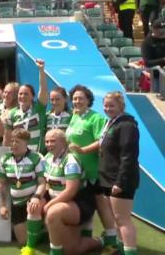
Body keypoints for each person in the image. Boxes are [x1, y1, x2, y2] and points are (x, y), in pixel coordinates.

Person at [65, 85, 117, 247]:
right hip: (77, 171)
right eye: (74, 98)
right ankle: (87, 234)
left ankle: (111, 238)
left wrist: (83, 150)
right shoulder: (75, 117)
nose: (77, 101)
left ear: (89, 100)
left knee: (100, 202)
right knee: (84, 201)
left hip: (92, 170)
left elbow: (101, 141)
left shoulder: (96, 118)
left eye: (81, 98)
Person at [43, 129, 102, 255]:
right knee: (71, 250)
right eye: (46, 141)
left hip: (79, 202)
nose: (48, 144)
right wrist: (37, 197)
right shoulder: (47, 158)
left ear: (63, 142)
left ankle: (55, 252)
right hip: (62, 202)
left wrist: (49, 204)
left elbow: (71, 191)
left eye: (53, 141)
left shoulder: (70, 160)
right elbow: (43, 182)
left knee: (53, 213)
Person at [100, 91, 140, 255]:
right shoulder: (111, 122)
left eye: (112, 105)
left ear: (121, 106)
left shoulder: (127, 126)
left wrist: (120, 182)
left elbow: (129, 156)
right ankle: (121, 251)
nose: (108, 108)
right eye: (106, 105)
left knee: (123, 220)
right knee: (117, 219)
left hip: (120, 180)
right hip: (108, 178)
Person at [0, 128, 46, 247]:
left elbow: (42, 182)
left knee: (34, 208)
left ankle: (45, 229)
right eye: (12, 141)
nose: (13, 144)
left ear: (26, 143)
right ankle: (44, 233)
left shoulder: (36, 157)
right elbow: (2, 184)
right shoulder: (5, 159)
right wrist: (2, 206)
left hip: (32, 200)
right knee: (22, 241)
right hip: (17, 203)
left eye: (17, 142)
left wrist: (37, 197)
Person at [4, 60, 48, 153]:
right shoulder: (12, 113)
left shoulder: (38, 109)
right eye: (20, 94)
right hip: (18, 155)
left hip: (36, 155)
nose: (22, 96)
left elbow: (43, 88)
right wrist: (5, 155)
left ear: (33, 96)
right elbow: (7, 137)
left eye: (26, 94)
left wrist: (41, 70)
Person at [141, 19, 165, 93]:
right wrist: (163, 60)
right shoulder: (147, 43)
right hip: (156, 74)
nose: (162, 32)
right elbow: (147, 62)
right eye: (159, 30)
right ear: (153, 30)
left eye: (163, 29)